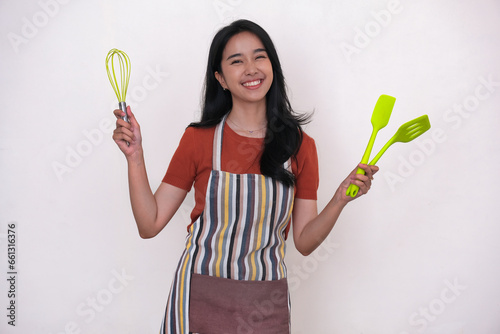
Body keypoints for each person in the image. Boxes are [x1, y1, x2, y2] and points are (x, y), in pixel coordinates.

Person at [113, 19, 378, 334]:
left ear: (272, 67)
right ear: (221, 78)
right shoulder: (199, 139)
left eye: (259, 56)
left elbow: (304, 242)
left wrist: (339, 200)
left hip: (265, 306)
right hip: (197, 298)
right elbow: (149, 223)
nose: (251, 68)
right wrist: (135, 157)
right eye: (236, 61)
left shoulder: (301, 147)